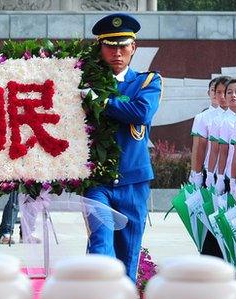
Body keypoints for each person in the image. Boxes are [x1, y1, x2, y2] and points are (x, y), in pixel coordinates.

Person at [83, 14, 162, 282]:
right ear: (100, 48)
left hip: (133, 178)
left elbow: (141, 112)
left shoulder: (147, 81)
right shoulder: (86, 83)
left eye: (123, 45)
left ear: (133, 48)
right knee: (100, 243)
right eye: (110, 46)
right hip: (98, 180)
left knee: (128, 253)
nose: (117, 52)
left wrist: (102, 102)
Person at [188, 76, 226, 188]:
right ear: (208, 92)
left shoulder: (232, 116)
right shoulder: (201, 117)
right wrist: (195, 172)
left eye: (219, 91)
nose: (216, 94)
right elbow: (197, 147)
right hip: (209, 168)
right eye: (213, 90)